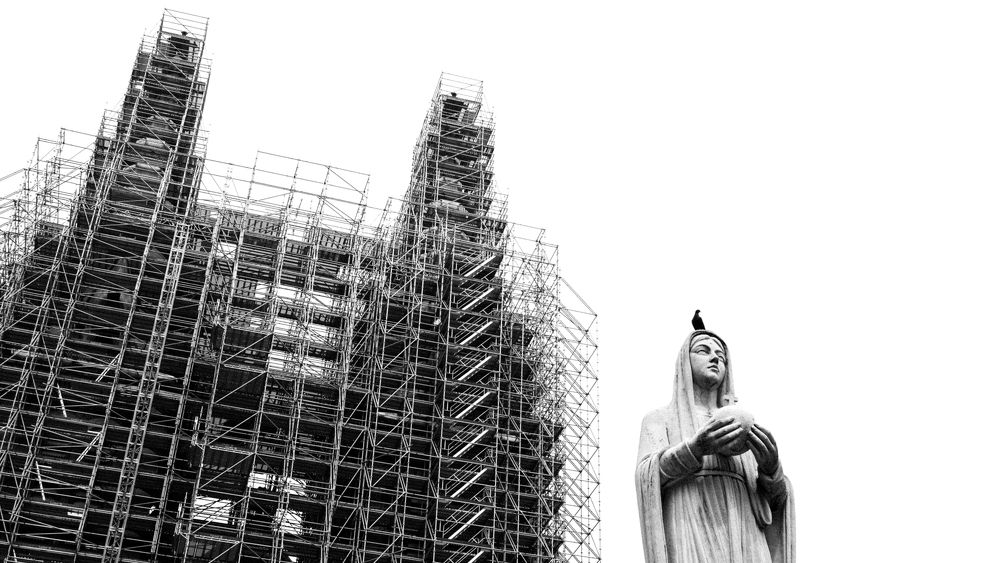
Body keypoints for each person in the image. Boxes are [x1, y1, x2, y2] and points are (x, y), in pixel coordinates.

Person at [635, 330, 795, 562]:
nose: (715, 358)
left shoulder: (741, 425)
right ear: (684, 362)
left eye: (721, 356)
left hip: (744, 528)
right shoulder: (661, 419)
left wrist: (772, 470)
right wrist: (696, 448)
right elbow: (646, 476)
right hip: (691, 521)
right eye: (704, 350)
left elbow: (774, 503)